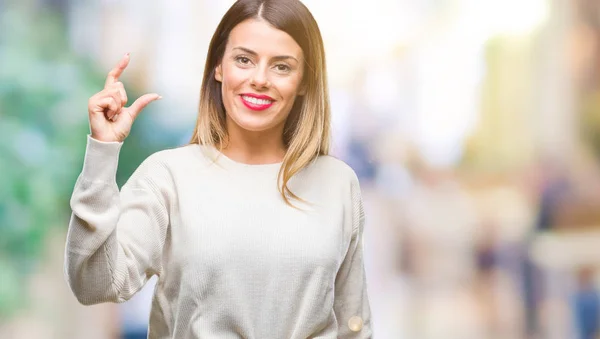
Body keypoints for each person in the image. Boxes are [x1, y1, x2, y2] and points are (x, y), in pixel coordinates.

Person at [63, 0, 373, 338]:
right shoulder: (168, 176)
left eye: (281, 67)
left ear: (303, 81)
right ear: (218, 67)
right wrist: (102, 152)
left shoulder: (339, 182)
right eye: (244, 60)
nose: (260, 79)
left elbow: (353, 322)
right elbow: (93, 283)